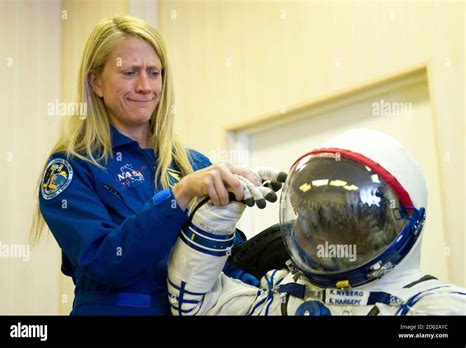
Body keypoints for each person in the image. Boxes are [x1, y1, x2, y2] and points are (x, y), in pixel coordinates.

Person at [31, 15, 285, 315]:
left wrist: (274, 285)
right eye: (129, 72)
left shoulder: (191, 163)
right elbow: (107, 262)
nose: (145, 86)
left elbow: (217, 268)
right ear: (96, 82)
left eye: (154, 72)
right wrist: (178, 196)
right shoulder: (72, 168)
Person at [167, 129, 466, 315]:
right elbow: (196, 304)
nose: (314, 229)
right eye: (311, 213)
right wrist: (218, 213)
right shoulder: (283, 294)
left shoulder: (429, 307)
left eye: (340, 216)